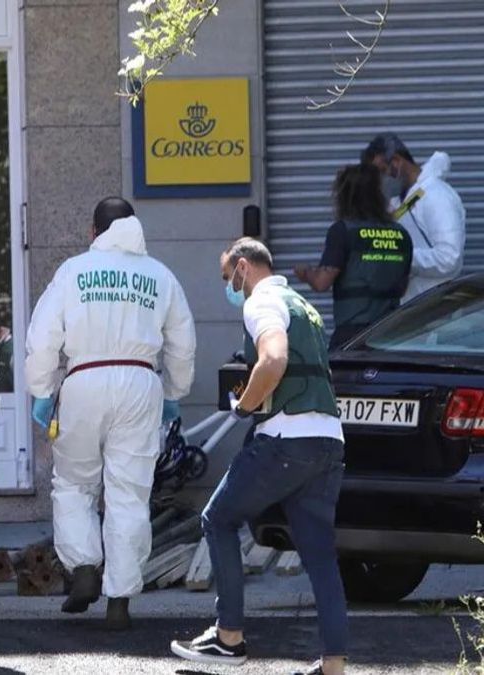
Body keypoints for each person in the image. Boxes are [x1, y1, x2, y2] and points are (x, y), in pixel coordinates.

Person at [172, 238, 347, 675]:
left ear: (243, 267)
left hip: (286, 439)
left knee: (218, 518)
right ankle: (333, 667)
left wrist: (246, 405)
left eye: (227, 276)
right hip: (328, 440)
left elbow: (273, 361)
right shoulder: (303, 305)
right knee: (321, 556)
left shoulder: (261, 301)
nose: (228, 287)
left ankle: (229, 637)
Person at [26, 197, 196, 629]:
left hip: (84, 379)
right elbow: (182, 343)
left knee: (74, 484)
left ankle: (84, 568)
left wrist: (42, 391)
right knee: (129, 494)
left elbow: (43, 336)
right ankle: (119, 599)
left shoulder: (73, 272)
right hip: (141, 384)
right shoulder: (160, 275)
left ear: (94, 232)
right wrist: (174, 393)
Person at [295, 163, 413, 349]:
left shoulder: (343, 231)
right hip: (391, 335)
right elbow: (403, 286)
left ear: (344, 197)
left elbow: (321, 282)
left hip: (353, 337)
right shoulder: (401, 234)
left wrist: (305, 272)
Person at [361, 133, 465, 303]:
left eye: (381, 172)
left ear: (396, 162)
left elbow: (449, 259)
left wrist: (398, 256)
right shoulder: (403, 200)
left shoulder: (437, 196)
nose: (379, 181)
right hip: (414, 308)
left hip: (437, 307)